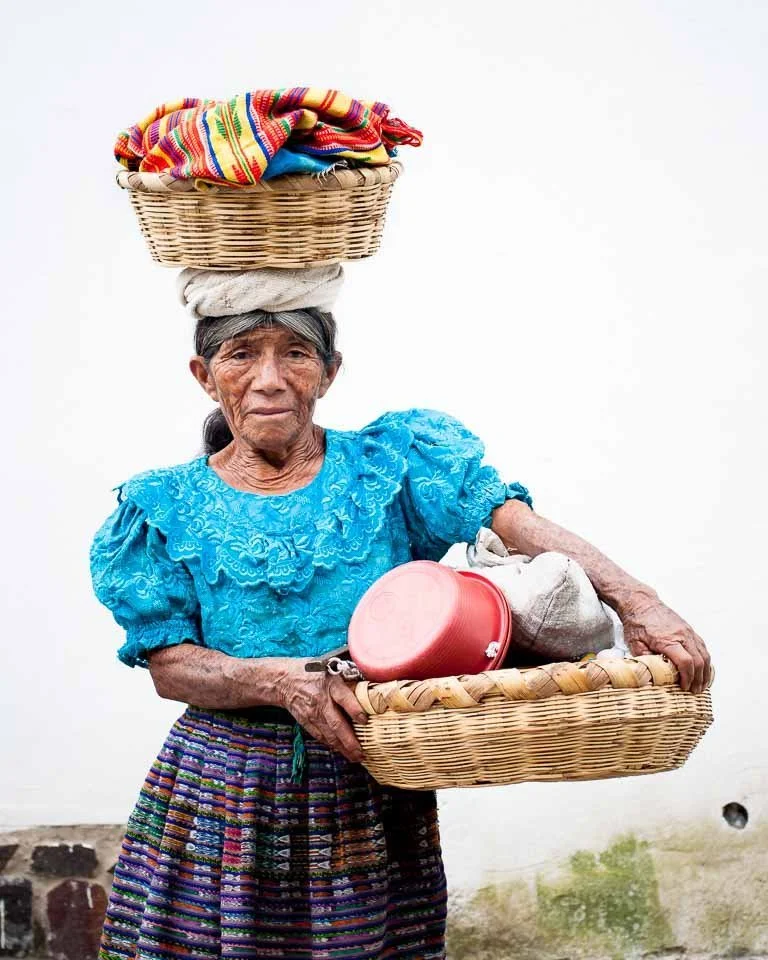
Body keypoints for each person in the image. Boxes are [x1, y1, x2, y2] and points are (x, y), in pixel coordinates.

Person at [91, 305, 710, 960]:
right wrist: (278, 681)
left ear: (329, 372)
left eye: (295, 354)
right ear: (204, 375)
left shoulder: (388, 468)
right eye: (241, 355)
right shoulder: (164, 507)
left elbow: (513, 521)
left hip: (369, 790)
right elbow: (169, 665)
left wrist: (640, 603)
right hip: (224, 799)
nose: (269, 379)